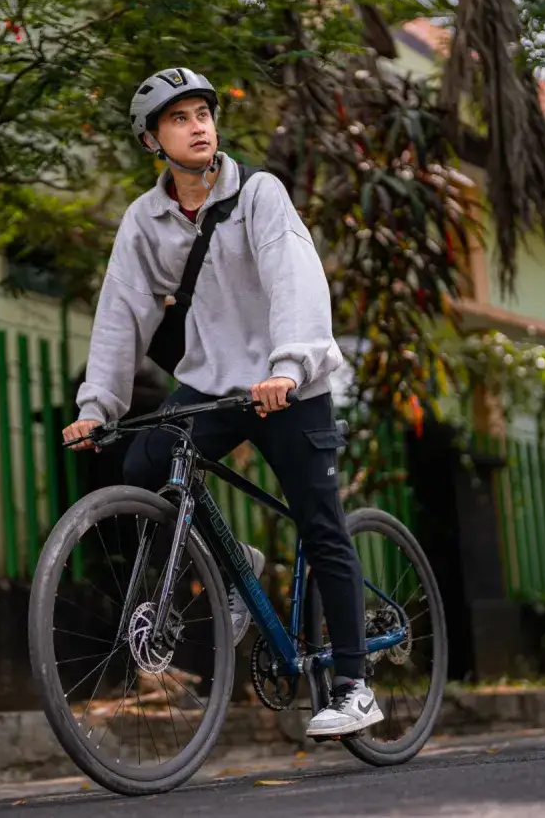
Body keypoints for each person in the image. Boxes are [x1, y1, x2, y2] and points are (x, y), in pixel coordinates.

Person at [62, 67, 382, 738]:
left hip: (286, 383)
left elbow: (294, 276)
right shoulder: (145, 220)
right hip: (214, 383)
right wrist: (99, 406)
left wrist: (290, 363)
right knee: (143, 464)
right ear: (154, 140)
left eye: (203, 112)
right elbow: (121, 312)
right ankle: (237, 566)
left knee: (320, 521)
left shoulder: (259, 194)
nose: (198, 125)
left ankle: (353, 685)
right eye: (178, 118)